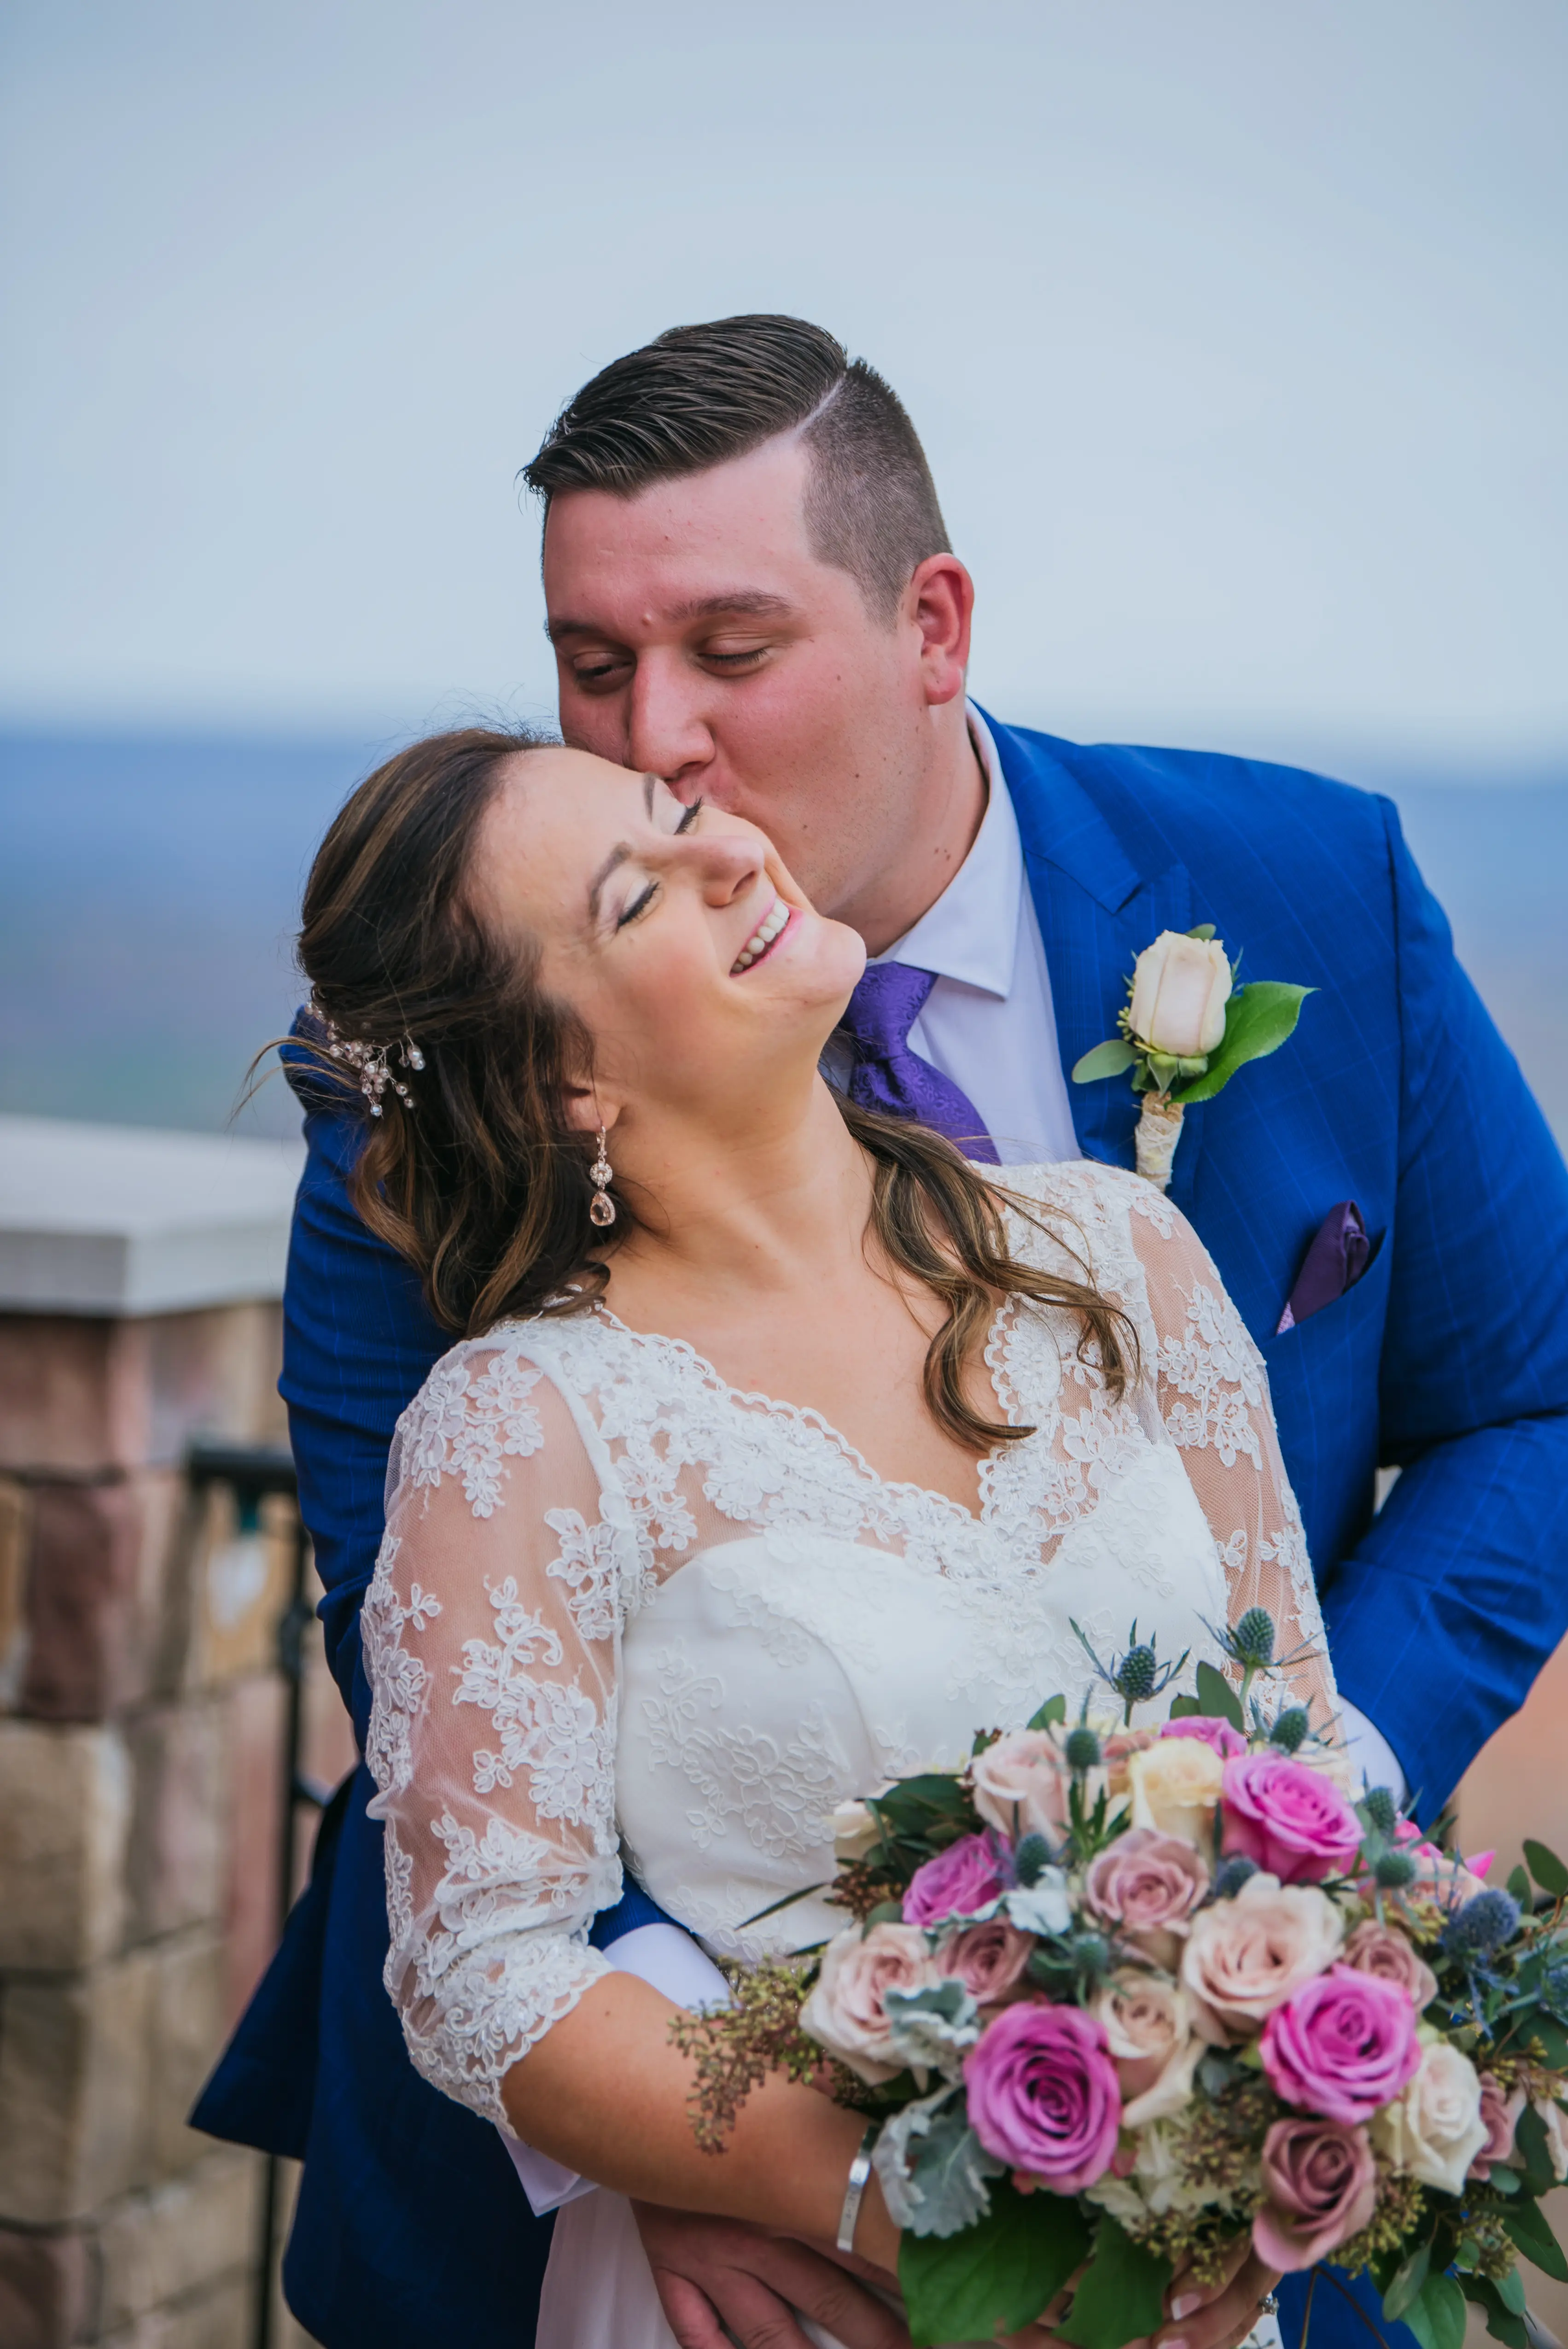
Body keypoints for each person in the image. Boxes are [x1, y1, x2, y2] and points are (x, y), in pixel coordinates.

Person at [193, 316, 1568, 2349]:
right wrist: (742, 2137)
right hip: (671, 2217)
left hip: (1233, 2127)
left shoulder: (1298, 902)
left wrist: (1264, 1876)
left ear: (932, 624)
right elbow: (415, 1636)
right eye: (590, 665)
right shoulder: (462, 1053)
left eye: (728, 654)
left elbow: (1525, 1402)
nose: (652, 739)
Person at [304, 721, 1341, 2349]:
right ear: (565, 1079)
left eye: (682, 813)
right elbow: (483, 1970)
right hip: (824, 2300)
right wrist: (921, 2216)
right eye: (639, 894)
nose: (730, 848)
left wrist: (1262, 2139)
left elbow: (1308, 1746)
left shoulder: (1123, 1253)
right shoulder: (525, 1424)